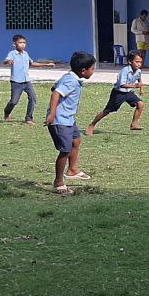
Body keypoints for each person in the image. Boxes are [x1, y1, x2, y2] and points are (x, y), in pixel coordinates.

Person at [46, 51, 96, 195]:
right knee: (65, 150)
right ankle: (58, 182)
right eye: (92, 69)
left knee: (76, 140)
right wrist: (52, 114)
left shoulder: (69, 77)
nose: (93, 71)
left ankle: (72, 170)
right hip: (60, 120)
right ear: (83, 70)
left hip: (68, 119)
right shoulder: (71, 81)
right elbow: (55, 93)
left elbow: (54, 87)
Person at [86, 50, 145, 135]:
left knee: (140, 104)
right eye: (137, 62)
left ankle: (134, 124)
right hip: (118, 93)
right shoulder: (125, 71)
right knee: (107, 111)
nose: (139, 64)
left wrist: (141, 89)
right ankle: (92, 125)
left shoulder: (138, 71)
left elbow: (139, 79)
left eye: (140, 62)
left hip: (128, 92)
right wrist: (135, 86)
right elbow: (122, 85)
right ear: (129, 61)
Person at [3, 34, 55, 125]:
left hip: (27, 82)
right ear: (14, 44)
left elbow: (32, 63)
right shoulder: (12, 54)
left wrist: (46, 64)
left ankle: (28, 118)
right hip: (16, 82)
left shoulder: (26, 54)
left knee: (33, 98)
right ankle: (7, 113)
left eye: (24, 43)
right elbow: (6, 61)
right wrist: (8, 61)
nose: (22, 44)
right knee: (14, 101)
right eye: (20, 43)